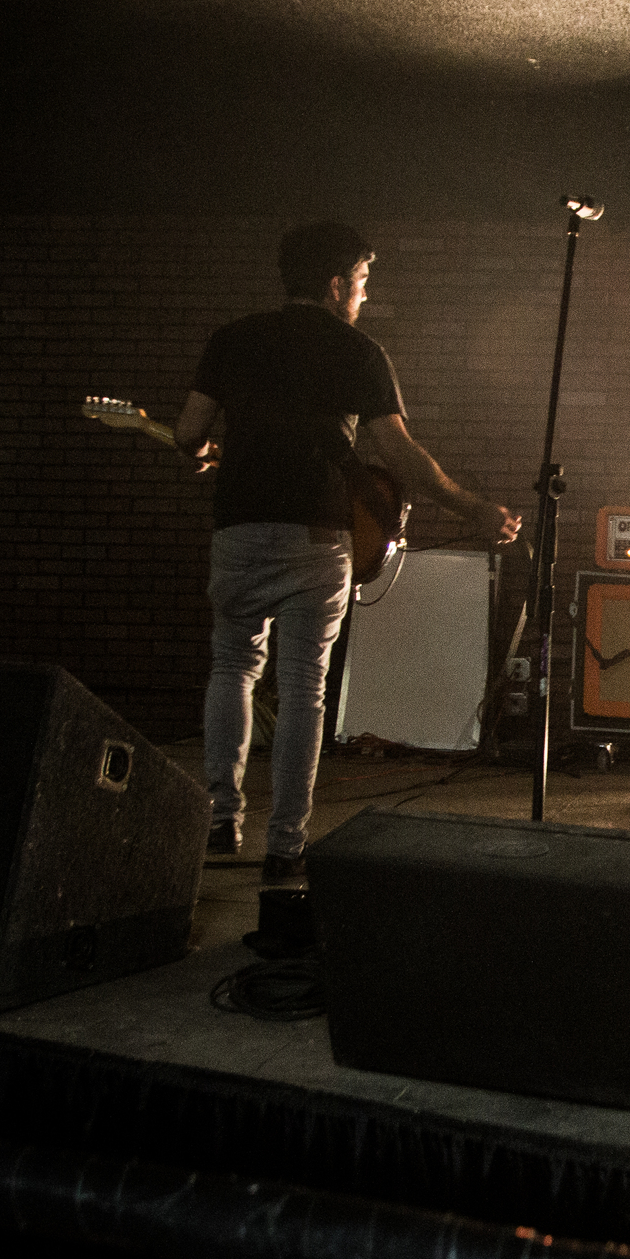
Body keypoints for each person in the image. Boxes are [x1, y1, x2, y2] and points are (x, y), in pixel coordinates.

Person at [174, 222, 517, 882]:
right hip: (317, 534)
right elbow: (400, 456)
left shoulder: (232, 339)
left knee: (233, 669)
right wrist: (473, 508)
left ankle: (221, 818)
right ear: (336, 284)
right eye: (361, 282)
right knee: (305, 687)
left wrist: (201, 452)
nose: (363, 295)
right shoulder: (360, 352)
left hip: (240, 527)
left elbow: (189, 430)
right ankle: (284, 843)